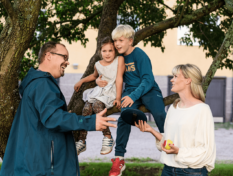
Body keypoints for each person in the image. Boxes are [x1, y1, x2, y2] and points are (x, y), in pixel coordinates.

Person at [0, 41, 117, 176]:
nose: (67, 62)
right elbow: (53, 118)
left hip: (37, 166)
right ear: (48, 56)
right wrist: (90, 122)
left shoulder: (37, 83)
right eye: (64, 57)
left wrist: (64, 115)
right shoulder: (42, 84)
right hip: (43, 168)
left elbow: (46, 117)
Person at [96, 24, 166, 176]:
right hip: (130, 92)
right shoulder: (117, 57)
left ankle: (165, 140)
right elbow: (104, 71)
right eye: (115, 41)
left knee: (160, 113)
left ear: (130, 40)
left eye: (121, 40)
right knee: (124, 118)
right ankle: (119, 159)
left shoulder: (139, 54)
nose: (117, 44)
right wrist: (97, 81)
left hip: (148, 90)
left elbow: (148, 80)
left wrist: (133, 96)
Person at [135, 64, 216, 176]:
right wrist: (151, 130)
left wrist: (178, 151)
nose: (172, 80)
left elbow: (205, 151)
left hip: (191, 172)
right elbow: (170, 141)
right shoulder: (174, 107)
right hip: (168, 170)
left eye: (176, 76)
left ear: (188, 80)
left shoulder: (202, 110)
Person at [74, 36, 125, 155]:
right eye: (104, 51)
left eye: (110, 50)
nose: (107, 54)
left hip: (111, 91)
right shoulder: (98, 64)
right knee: (87, 107)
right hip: (100, 91)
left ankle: (107, 137)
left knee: (97, 105)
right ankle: (82, 141)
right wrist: (81, 81)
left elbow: (119, 79)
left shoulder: (119, 60)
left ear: (115, 51)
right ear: (100, 52)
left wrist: (118, 98)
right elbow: (94, 76)